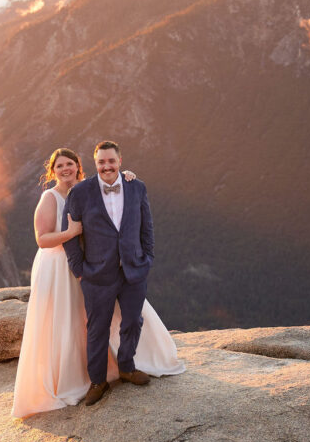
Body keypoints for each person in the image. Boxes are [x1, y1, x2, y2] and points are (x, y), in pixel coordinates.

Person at [11, 146, 183, 418]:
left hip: (128, 269)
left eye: (70, 164)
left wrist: (146, 258)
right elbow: (50, 238)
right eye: (60, 166)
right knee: (89, 326)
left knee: (131, 320)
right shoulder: (65, 195)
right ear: (53, 170)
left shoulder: (128, 185)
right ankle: (95, 380)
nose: (65, 169)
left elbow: (145, 226)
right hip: (78, 271)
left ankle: (126, 367)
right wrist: (79, 268)